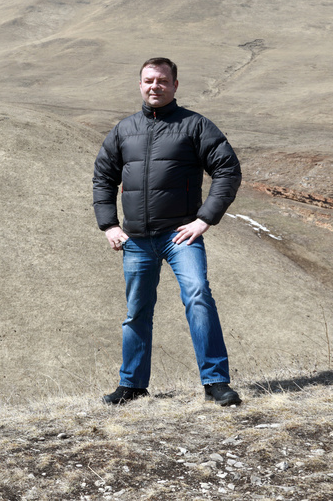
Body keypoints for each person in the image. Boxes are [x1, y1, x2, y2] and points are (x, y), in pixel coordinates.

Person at [92, 57, 243, 406]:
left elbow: (228, 170)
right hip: (136, 240)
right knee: (136, 312)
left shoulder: (195, 126)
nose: (154, 86)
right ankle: (132, 385)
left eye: (162, 80)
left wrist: (204, 219)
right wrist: (109, 225)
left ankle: (216, 383)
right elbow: (103, 177)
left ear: (175, 85)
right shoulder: (124, 130)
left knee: (198, 297)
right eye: (148, 81)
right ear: (140, 84)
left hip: (180, 236)